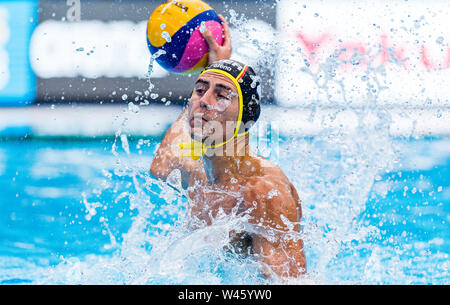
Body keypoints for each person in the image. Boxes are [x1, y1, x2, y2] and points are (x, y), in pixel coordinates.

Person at [150, 14, 306, 279]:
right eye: (200, 90)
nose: (204, 101)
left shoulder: (263, 192)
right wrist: (214, 65)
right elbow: (162, 165)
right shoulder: (201, 175)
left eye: (222, 95)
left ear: (245, 118)